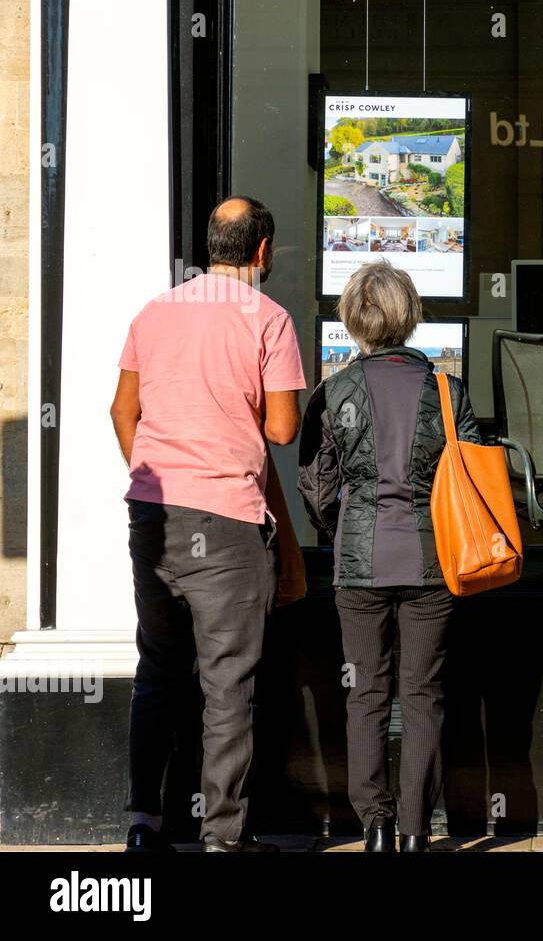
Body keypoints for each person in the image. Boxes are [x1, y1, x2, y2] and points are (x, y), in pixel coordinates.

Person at [110, 196, 306, 852]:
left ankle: (145, 823)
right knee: (228, 686)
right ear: (261, 251)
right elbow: (281, 428)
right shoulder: (270, 319)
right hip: (226, 519)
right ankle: (223, 836)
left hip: (153, 513)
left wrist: (156, 474)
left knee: (159, 670)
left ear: (211, 246)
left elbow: (121, 411)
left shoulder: (156, 310)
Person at [298, 259, 480, 852]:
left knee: (366, 693)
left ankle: (372, 825)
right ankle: (413, 832)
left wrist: (342, 527)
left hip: (359, 562)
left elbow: (317, 486)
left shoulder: (333, 392)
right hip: (434, 563)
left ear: (353, 318)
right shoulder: (449, 391)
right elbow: (472, 479)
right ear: (409, 315)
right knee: (424, 694)